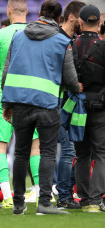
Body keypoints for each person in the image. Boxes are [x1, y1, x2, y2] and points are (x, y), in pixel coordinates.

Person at [1, 0, 81, 215]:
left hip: (19, 104)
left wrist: (6, 103)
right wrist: (77, 87)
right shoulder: (61, 40)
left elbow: (6, 72)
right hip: (47, 105)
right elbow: (71, 80)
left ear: (38, 14)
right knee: (47, 152)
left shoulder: (17, 36)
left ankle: (18, 204)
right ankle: (44, 203)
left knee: (20, 153)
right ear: (58, 19)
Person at [0, 0, 41, 209]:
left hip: (3, 97)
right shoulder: (37, 32)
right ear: (28, 11)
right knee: (35, 147)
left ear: (8, 10)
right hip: (31, 97)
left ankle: (7, 197)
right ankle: (41, 193)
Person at [74, 4, 105, 213]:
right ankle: (95, 200)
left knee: (82, 153)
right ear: (100, 23)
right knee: (101, 153)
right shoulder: (103, 46)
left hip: (77, 106)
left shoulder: (70, 44)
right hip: (100, 106)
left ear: (80, 22)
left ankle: (84, 199)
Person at [55, 0, 86, 210]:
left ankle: (63, 192)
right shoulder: (59, 39)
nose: (85, 23)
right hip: (56, 101)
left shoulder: (70, 39)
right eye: (83, 17)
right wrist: (75, 84)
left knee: (69, 150)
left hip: (64, 102)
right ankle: (63, 196)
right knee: (67, 151)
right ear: (72, 17)